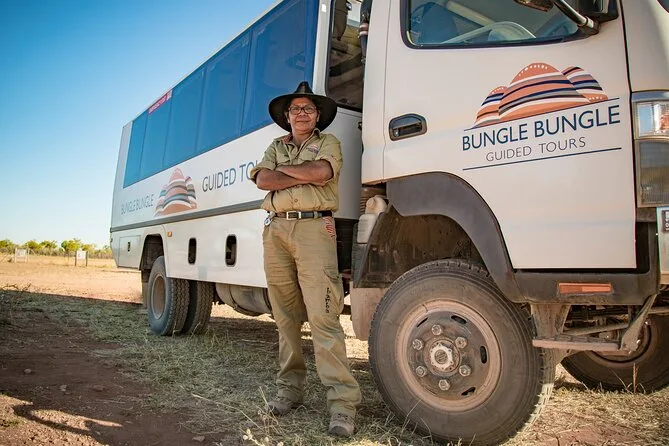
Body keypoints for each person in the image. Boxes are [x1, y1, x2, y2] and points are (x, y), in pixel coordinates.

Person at [249, 81, 361, 438]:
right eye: (295, 109)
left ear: (317, 116)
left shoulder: (329, 143)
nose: (301, 113)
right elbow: (263, 180)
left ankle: (342, 404)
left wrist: (285, 174)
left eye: (308, 109)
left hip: (315, 229)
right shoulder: (275, 146)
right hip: (276, 231)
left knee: (323, 317)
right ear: (287, 116)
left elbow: (322, 173)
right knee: (284, 317)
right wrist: (299, 172)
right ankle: (289, 391)